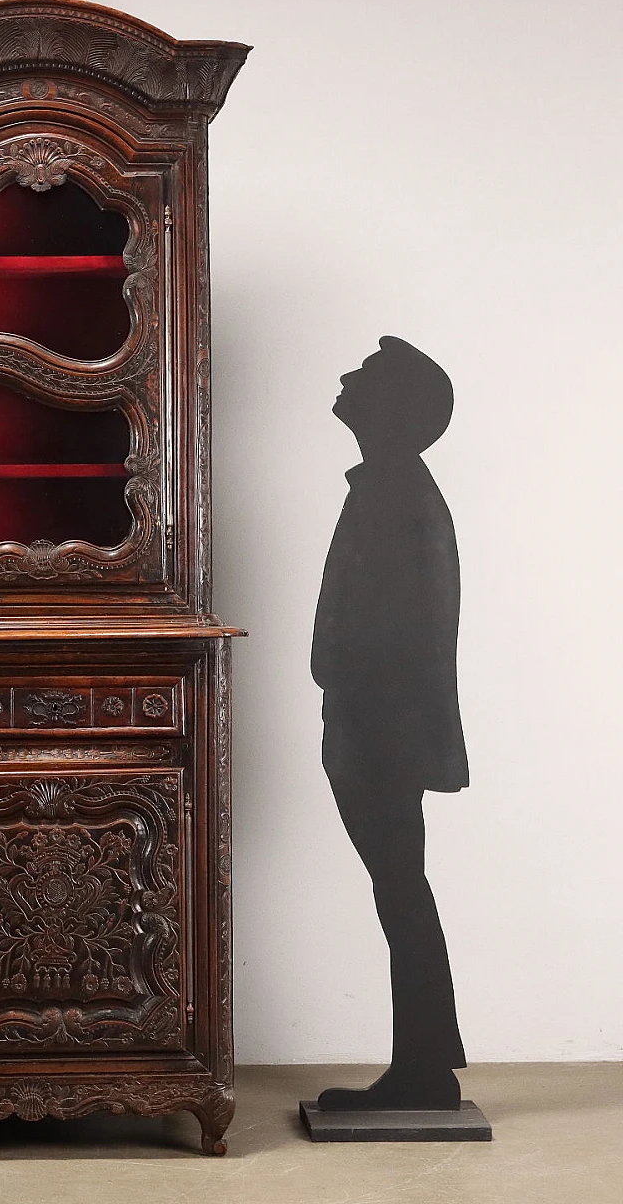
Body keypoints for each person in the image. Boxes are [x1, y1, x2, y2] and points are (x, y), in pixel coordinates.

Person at [311, 336, 468, 1110]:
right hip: (372, 726)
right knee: (401, 890)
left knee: (401, 890)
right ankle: (426, 1063)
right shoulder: (389, 489)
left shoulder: (399, 495)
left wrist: (371, 724)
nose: (346, 376)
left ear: (396, 408)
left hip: (382, 731)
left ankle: (425, 1070)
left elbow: (415, 633)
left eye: (367, 375)